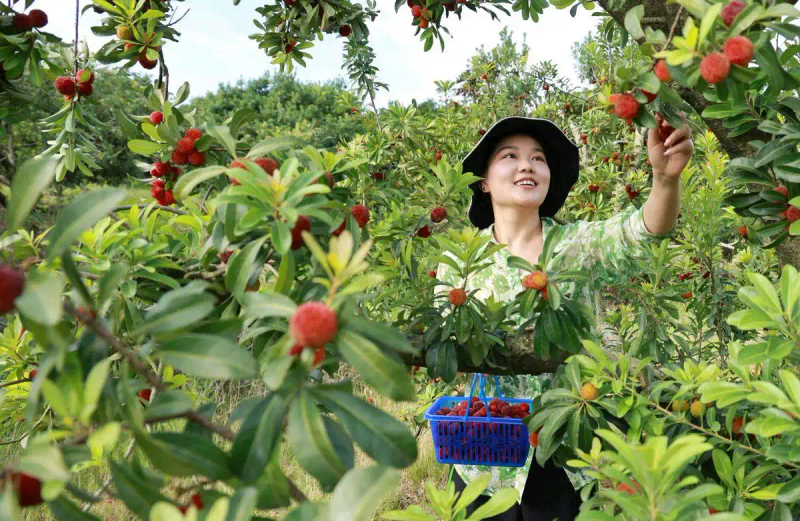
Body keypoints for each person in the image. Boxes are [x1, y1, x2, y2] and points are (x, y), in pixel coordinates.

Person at [435, 116, 694, 520]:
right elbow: (443, 347)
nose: (527, 165)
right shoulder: (460, 260)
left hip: (561, 448)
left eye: (538, 158)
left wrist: (665, 180)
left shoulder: (577, 245)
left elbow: (644, 231)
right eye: (510, 156)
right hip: (483, 452)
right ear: (483, 180)